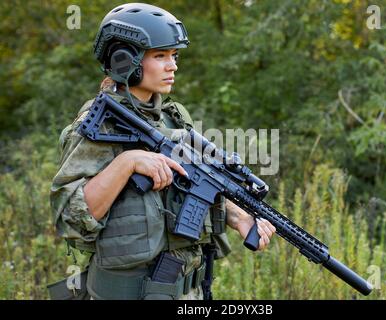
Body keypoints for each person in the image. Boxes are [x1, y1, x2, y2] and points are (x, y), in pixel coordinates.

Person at [49, 3, 276, 300]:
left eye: (174, 55)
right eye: (160, 56)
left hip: (186, 293)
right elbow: (69, 218)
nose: (173, 66)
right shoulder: (98, 125)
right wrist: (127, 162)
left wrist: (237, 216)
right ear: (123, 61)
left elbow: (193, 183)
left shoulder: (173, 118)